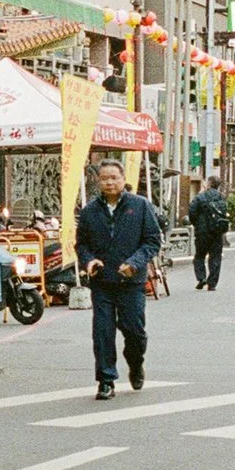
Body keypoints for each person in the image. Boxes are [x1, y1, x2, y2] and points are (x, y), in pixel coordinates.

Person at [75, 159, 160, 400]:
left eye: (114, 177)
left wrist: (134, 263)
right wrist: (89, 261)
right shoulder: (90, 211)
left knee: (134, 331)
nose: (110, 182)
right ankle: (106, 380)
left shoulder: (140, 206)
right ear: (98, 181)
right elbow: (81, 244)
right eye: (104, 178)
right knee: (102, 332)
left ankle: (135, 363)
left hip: (131, 283)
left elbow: (153, 240)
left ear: (123, 180)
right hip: (102, 283)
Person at [187, 175, 231, 292]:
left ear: (210, 183)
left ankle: (201, 278)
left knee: (199, 256)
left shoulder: (200, 197)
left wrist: (196, 223)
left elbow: (192, 211)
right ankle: (212, 284)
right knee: (215, 257)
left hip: (202, 232)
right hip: (217, 231)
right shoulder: (222, 197)